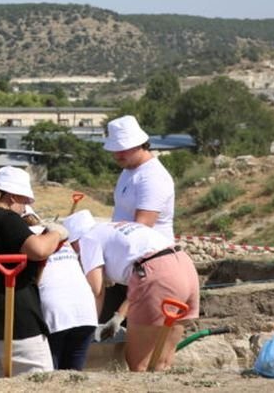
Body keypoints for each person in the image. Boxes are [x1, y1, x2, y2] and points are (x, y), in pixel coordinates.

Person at [0, 166, 68, 378]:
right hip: (15, 324)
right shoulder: (6, 219)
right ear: (13, 196)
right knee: (39, 386)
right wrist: (55, 233)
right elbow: (38, 249)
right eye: (25, 201)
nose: (25, 208)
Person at [78, 220, 199, 371]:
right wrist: (119, 316)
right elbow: (144, 278)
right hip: (184, 266)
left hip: (157, 275)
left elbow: (96, 290)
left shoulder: (86, 240)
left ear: (74, 241)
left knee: (139, 365)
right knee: (163, 363)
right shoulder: (113, 228)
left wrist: (87, 331)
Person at [99, 115, 176, 329]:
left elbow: (142, 229)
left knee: (138, 333)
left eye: (122, 149)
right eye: (115, 149)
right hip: (126, 265)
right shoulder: (128, 171)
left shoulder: (152, 177)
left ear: (140, 144)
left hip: (146, 264)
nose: (117, 154)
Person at [24, 208, 98, 371]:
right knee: (72, 377)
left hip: (56, 311)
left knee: (51, 374)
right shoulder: (60, 237)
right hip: (86, 310)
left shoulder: (26, 239)